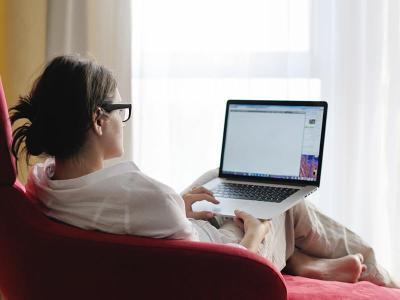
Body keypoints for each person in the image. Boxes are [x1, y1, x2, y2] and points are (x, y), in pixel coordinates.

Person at [9, 55, 399, 288]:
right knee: (281, 197)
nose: (121, 120)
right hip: (225, 252)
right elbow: (225, 272)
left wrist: (176, 203)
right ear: (97, 120)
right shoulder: (146, 198)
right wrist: (254, 235)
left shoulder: (43, 181)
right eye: (118, 110)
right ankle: (380, 275)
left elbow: (132, 218)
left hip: (181, 233)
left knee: (220, 175)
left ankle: (301, 261)